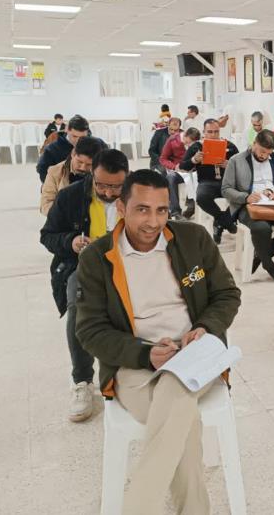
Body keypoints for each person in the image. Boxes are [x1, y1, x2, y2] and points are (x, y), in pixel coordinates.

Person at [76, 170, 240, 515]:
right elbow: (90, 330)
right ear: (122, 208)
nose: (153, 221)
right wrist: (145, 354)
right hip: (132, 364)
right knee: (182, 420)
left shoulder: (193, 239)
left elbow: (226, 294)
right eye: (142, 209)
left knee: (175, 388)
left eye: (161, 210)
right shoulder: (97, 259)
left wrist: (205, 328)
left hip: (194, 356)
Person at [39, 149, 130, 422]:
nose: (109, 192)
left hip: (131, 263)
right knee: (79, 305)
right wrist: (71, 242)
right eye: (102, 185)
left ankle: (129, 371)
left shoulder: (137, 194)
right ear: (92, 174)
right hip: (84, 266)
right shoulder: (71, 196)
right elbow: (48, 236)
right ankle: (82, 381)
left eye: (116, 186)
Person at [222, 129, 274, 281]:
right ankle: (268, 264)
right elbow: (226, 189)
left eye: (268, 153)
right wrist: (246, 197)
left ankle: (260, 256)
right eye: (262, 151)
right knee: (262, 228)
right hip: (247, 206)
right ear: (254, 143)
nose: (264, 156)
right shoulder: (236, 160)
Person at [179, 118, 239, 243]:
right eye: (210, 132)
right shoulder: (196, 146)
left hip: (227, 183)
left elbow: (241, 168)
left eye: (216, 132)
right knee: (201, 197)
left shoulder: (230, 146)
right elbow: (183, 166)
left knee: (243, 197)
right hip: (207, 182)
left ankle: (220, 223)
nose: (213, 135)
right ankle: (225, 221)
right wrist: (194, 160)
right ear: (204, 132)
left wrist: (230, 165)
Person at [40, 135, 103, 216]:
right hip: (64, 219)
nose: (83, 168)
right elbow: (45, 204)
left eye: (89, 164)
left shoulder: (103, 172)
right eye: (79, 162)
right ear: (73, 154)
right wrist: (68, 214)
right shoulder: (55, 171)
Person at [37, 114, 101, 183]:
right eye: (74, 136)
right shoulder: (52, 149)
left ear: (87, 133)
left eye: (82, 137)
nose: (78, 141)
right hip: (61, 186)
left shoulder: (98, 145)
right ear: (66, 129)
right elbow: (43, 172)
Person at [163, 127, 199, 220]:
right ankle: (175, 212)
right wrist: (174, 167)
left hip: (193, 170)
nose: (190, 145)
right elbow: (163, 159)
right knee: (170, 177)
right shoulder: (172, 140)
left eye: (192, 144)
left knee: (197, 177)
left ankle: (191, 207)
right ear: (185, 135)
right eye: (188, 142)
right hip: (178, 170)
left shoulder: (197, 144)